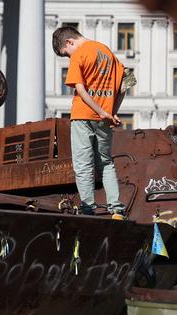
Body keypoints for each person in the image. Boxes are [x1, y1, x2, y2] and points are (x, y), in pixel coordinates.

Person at [52, 26, 135, 218]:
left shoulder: (79, 55)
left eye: (66, 54)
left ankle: (88, 209)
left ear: (69, 42)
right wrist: (111, 112)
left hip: (83, 116)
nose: (68, 57)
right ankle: (116, 209)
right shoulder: (106, 50)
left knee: (83, 165)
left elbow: (80, 90)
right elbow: (126, 83)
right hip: (104, 119)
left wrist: (100, 110)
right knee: (106, 163)